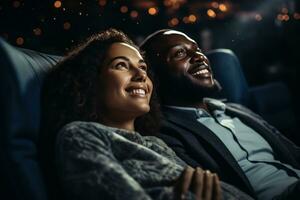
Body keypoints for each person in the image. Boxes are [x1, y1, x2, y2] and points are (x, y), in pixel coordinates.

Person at [38, 29, 252, 200]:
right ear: (90, 82)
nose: (141, 74)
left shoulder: (157, 144)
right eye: (121, 65)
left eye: (143, 68)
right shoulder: (81, 134)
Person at [140, 29, 300, 200]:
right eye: (180, 53)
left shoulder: (238, 110)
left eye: (198, 50)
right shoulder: (166, 134)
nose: (199, 57)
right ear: (154, 76)